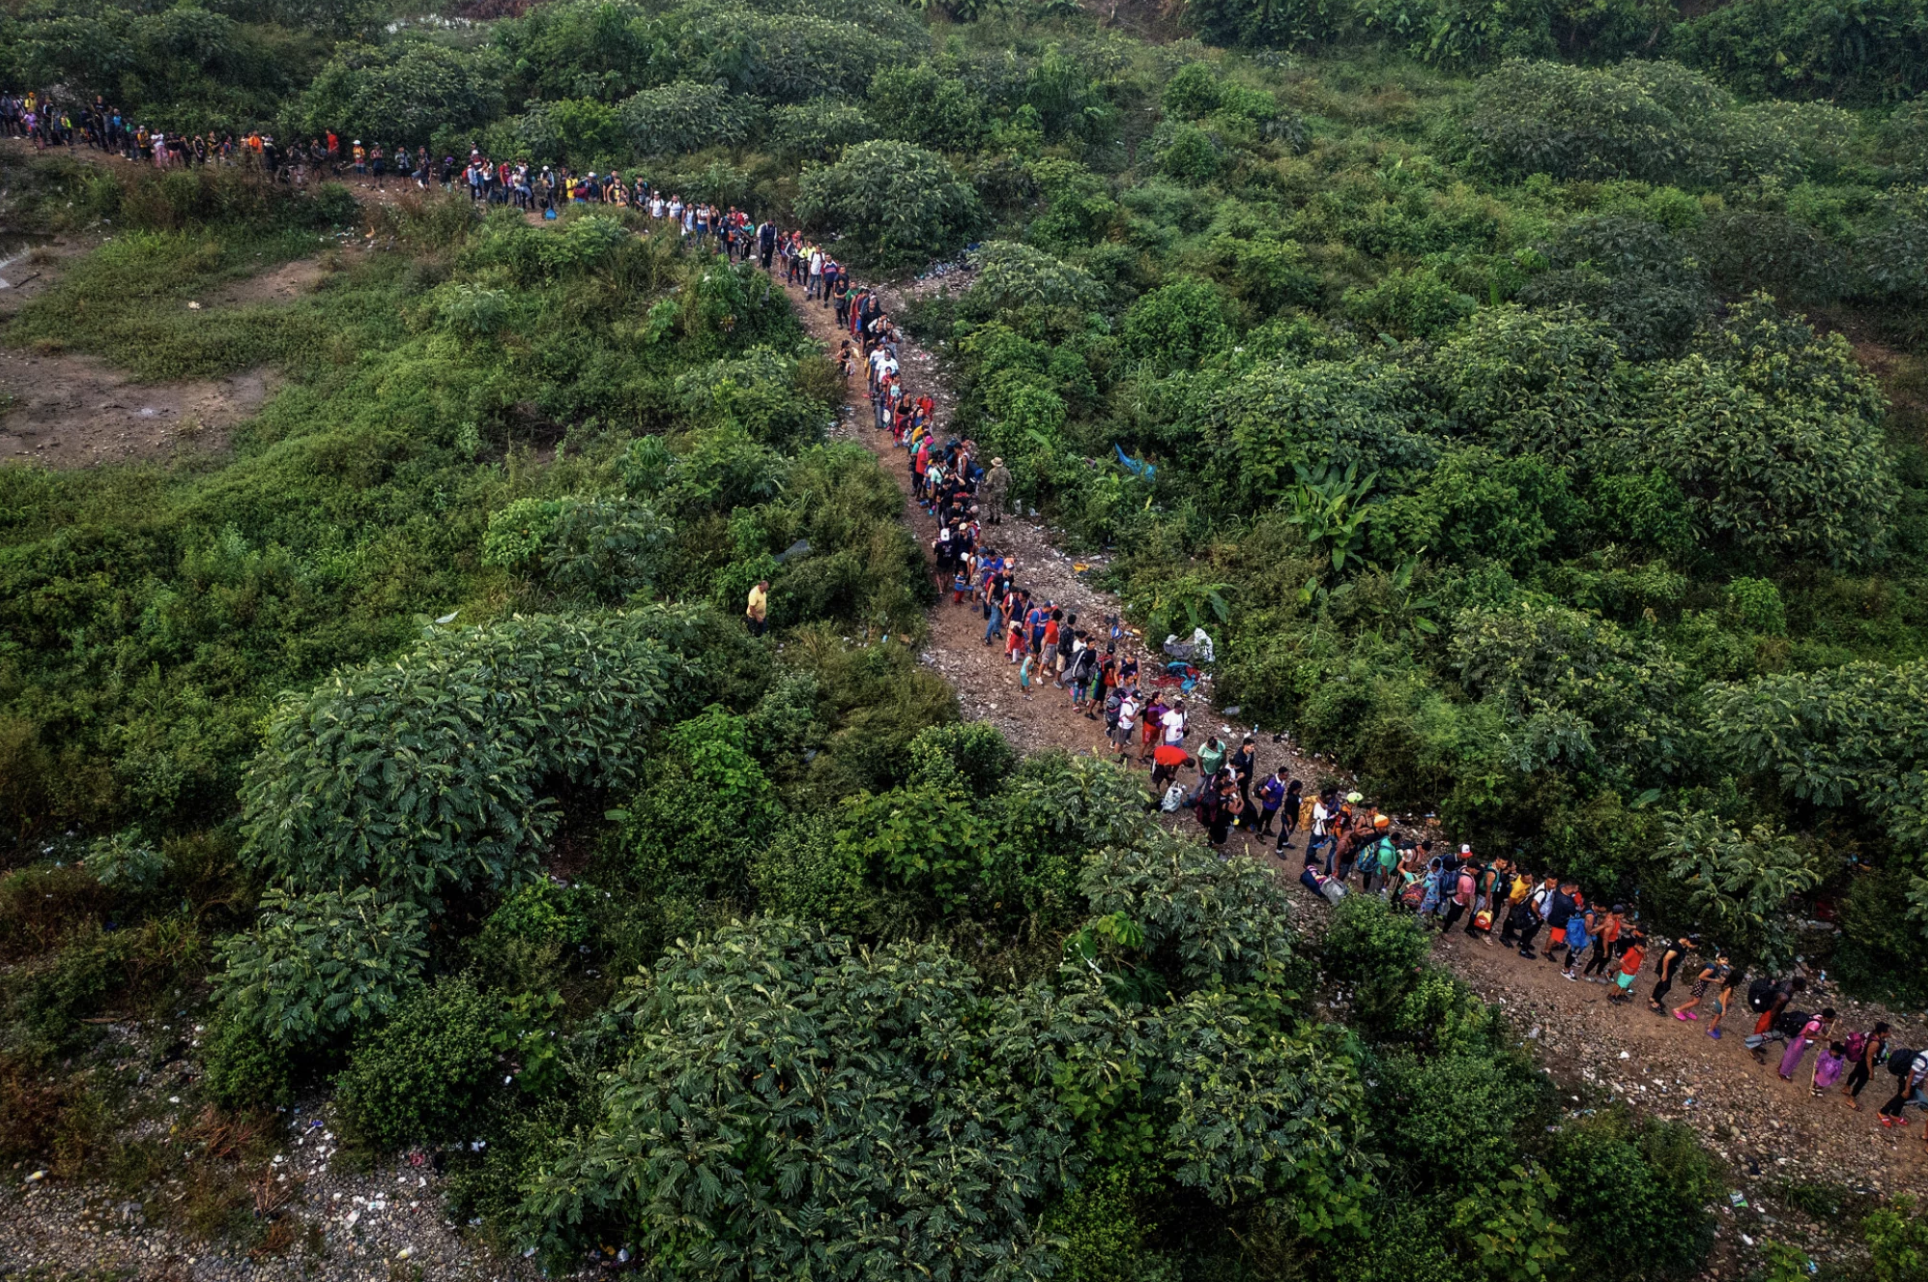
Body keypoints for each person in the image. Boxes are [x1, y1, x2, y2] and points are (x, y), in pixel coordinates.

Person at [1843, 1023, 1891, 1111]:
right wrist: (1871, 1072)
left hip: (1861, 1060)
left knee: (1855, 1073)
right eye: (1888, 1032)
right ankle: (1850, 1099)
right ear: (1883, 1033)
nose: (1890, 1033)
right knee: (1861, 1082)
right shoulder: (1875, 1043)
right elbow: (1869, 1058)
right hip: (1865, 1064)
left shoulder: (1869, 1034)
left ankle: (1846, 1088)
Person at [1647, 935, 1697, 1016]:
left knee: (1662, 983)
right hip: (1665, 969)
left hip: (1670, 969)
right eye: (1693, 945)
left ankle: (1653, 998)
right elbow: (1666, 959)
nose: (1693, 947)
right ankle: (1655, 1005)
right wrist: (1664, 972)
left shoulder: (1683, 944)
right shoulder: (1676, 948)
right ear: (1688, 941)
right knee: (1666, 986)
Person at [1778, 1008, 1834, 1081]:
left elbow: (1823, 1027)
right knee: (1793, 1057)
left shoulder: (1818, 1016)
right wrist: (1820, 1038)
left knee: (1789, 1054)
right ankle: (1783, 1073)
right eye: (1832, 1018)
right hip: (1800, 1041)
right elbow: (1807, 1036)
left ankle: (1781, 1067)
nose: (1833, 1020)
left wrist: (1827, 1035)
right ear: (1826, 1018)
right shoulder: (1816, 1024)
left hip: (1797, 1037)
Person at [1672, 953, 1730, 1024]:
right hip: (1700, 984)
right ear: (1718, 959)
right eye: (1723, 959)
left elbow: (1715, 974)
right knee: (1696, 1001)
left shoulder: (1718, 967)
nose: (1725, 962)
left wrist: (1720, 979)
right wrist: (1715, 981)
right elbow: (1701, 977)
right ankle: (1678, 1009)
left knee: (1692, 998)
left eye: (1726, 960)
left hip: (1703, 984)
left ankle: (1686, 1010)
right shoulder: (1711, 968)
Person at [1878, 1049, 1928, 1129]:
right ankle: (1883, 1112)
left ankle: (1895, 1114)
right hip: (1907, 1082)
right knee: (1900, 1097)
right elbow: (1910, 1075)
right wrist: (1907, 1089)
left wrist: (1920, 1083)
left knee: (1903, 1098)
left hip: (1913, 1082)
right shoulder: (1922, 1061)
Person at [1608, 934, 1645, 1004]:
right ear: (1637, 945)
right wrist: (1628, 967)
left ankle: (1621, 994)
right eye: (1641, 948)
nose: (1642, 950)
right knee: (1619, 984)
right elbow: (1621, 961)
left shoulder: (1640, 953)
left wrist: (1644, 953)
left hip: (1633, 973)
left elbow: (1643, 958)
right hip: (1626, 972)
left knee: (1626, 984)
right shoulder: (1631, 952)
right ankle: (1612, 995)